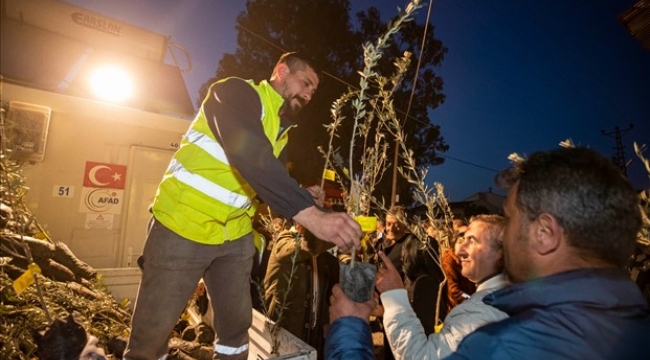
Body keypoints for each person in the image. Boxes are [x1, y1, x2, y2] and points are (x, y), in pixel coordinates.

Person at [124, 52, 362, 360]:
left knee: (236, 328)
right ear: (281, 71)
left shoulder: (280, 129)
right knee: (152, 333)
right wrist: (310, 213)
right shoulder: (233, 93)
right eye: (305, 83)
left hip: (233, 236)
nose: (308, 94)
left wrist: (302, 193)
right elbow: (248, 152)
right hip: (182, 225)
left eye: (313, 91)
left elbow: (264, 183)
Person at [445, 147, 650, 359]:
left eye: (511, 218)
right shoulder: (637, 330)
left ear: (544, 233)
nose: (504, 236)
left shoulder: (496, 349)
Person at [377, 214, 509, 360]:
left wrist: (394, 299)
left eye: (472, 241)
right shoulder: (505, 298)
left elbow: (422, 356)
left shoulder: (481, 313)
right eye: (463, 240)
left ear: (501, 252)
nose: (459, 251)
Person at [264, 223, 339, 359]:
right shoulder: (284, 242)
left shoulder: (321, 255)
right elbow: (305, 247)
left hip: (312, 337)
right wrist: (337, 235)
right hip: (285, 336)